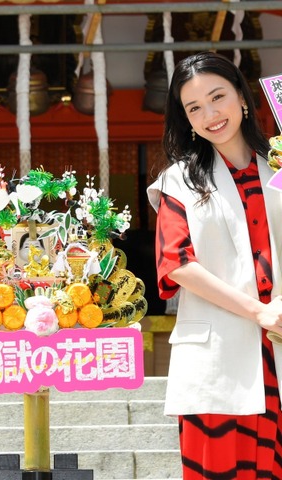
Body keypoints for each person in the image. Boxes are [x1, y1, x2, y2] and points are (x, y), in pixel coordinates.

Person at [147, 51, 282, 478]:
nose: (210, 114)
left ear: (243, 97)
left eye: (218, 96)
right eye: (194, 107)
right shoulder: (178, 181)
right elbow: (177, 264)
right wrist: (260, 311)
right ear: (186, 120)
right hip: (220, 359)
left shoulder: (279, 167)